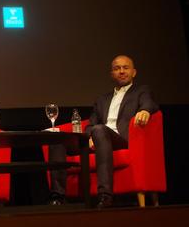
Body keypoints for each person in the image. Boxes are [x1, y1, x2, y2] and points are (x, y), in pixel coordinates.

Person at [48, 55, 159, 208]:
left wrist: (145, 110)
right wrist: (88, 138)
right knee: (58, 139)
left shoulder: (141, 91)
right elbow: (90, 124)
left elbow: (149, 102)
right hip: (99, 137)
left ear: (134, 72)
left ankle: (105, 195)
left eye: (125, 68)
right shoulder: (102, 100)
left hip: (122, 139)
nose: (121, 71)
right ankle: (58, 197)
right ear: (111, 74)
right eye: (116, 68)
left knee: (99, 130)